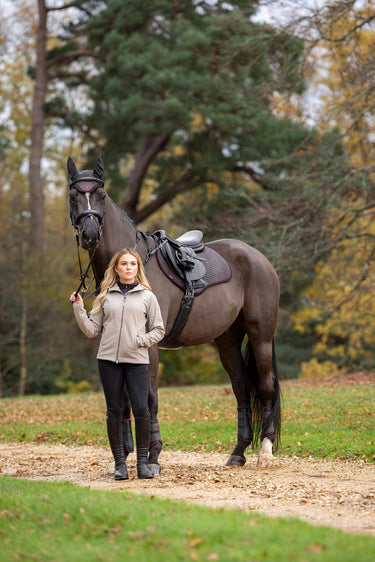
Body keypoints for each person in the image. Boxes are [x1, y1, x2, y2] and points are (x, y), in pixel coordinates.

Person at [70, 248, 165, 480]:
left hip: (137, 361)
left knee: (141, 410)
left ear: (138, 268)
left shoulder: (147, 296)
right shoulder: (105, 296)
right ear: (116, 268)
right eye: (124, 264)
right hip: (108, 361)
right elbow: (92, 330)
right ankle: (120, 464)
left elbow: (159, 329)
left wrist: (140, 340)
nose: (128, 267)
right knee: (114, 411)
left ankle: (142, 464)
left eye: (133, 264)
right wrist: (78, 308)